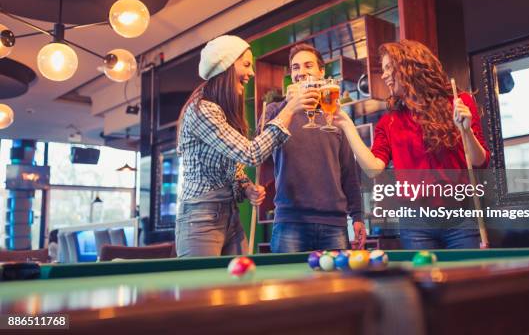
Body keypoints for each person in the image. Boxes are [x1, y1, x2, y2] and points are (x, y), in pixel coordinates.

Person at [334, 40, 490, 250]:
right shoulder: (389, 121)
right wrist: (347, 125)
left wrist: (466, 130)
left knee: (466, 280)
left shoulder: (458, 102)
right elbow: (373, 169)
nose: (384, 75)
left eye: (390, 67)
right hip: (415, 223)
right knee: (425, 282)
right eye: (384, 69)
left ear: (411, 66)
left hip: (460, 217)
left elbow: (479, 161)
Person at [175, 35, 318, 257]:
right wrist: (290, 109)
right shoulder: (202, 110)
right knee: (203, 290)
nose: (251, 73)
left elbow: (232, 167)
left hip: (230, 214)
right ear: (227, 66)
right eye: (246, 64)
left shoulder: (222, 111)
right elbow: (251, 154)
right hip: (200, 218)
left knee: (240, 287)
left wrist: (246, 187)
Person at [260, 43, 365, 253]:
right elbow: (259, 150)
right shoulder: (274, 110)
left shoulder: (335, 114)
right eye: (296, 67)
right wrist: (288, 106)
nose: (301, 72)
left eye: (308, 65)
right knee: (288, 286)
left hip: (334, 224)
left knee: (338, 286)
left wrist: (358, 216)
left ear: (321, 71)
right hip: (290, 221)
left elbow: (348, 170)